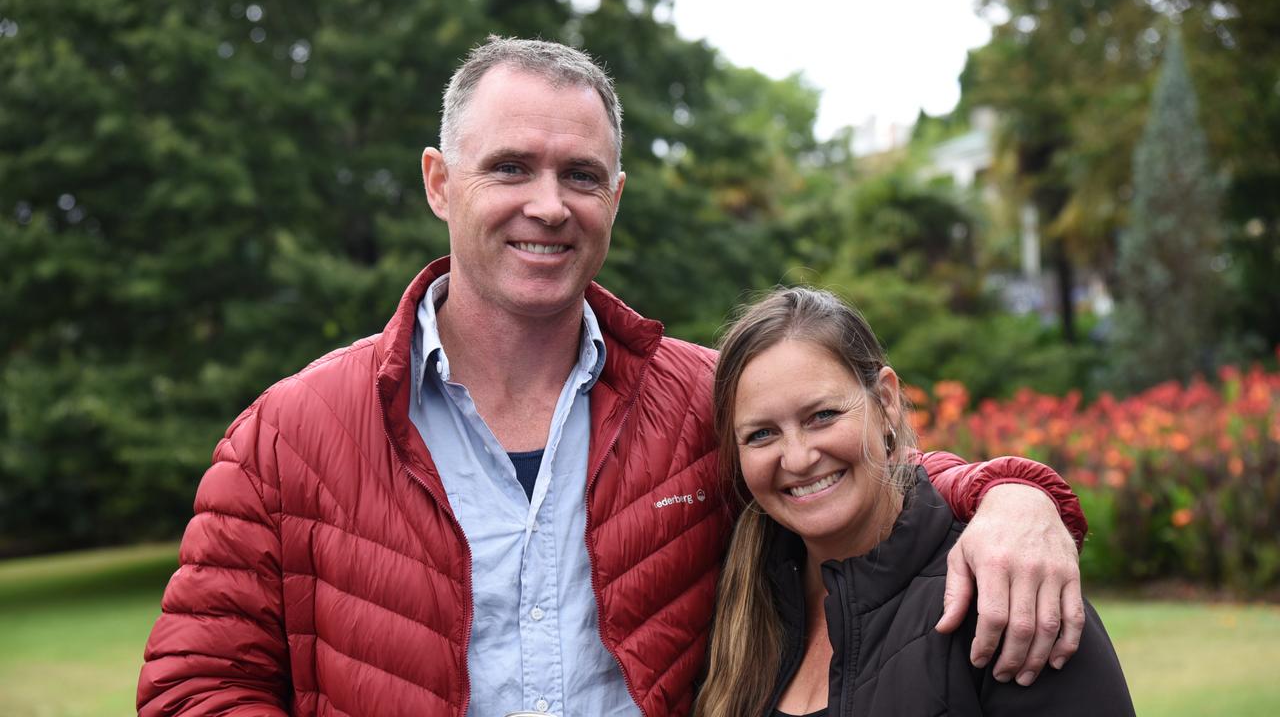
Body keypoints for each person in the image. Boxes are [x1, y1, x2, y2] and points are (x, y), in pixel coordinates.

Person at [138, 38, 1090, 717]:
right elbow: (192, 688)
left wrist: (1013, 494)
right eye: (509, 167)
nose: (547, 206)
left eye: (581, 176)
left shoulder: (701, 401)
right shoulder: (288, 433)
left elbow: (857, 468)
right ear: (438, 182)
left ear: (616, 197)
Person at [695, 287, 1134, 717]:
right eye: (762, 434)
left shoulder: (1004, 595)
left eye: (822, 416)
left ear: (885, 402)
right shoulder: (738, 608)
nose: (797, 457)